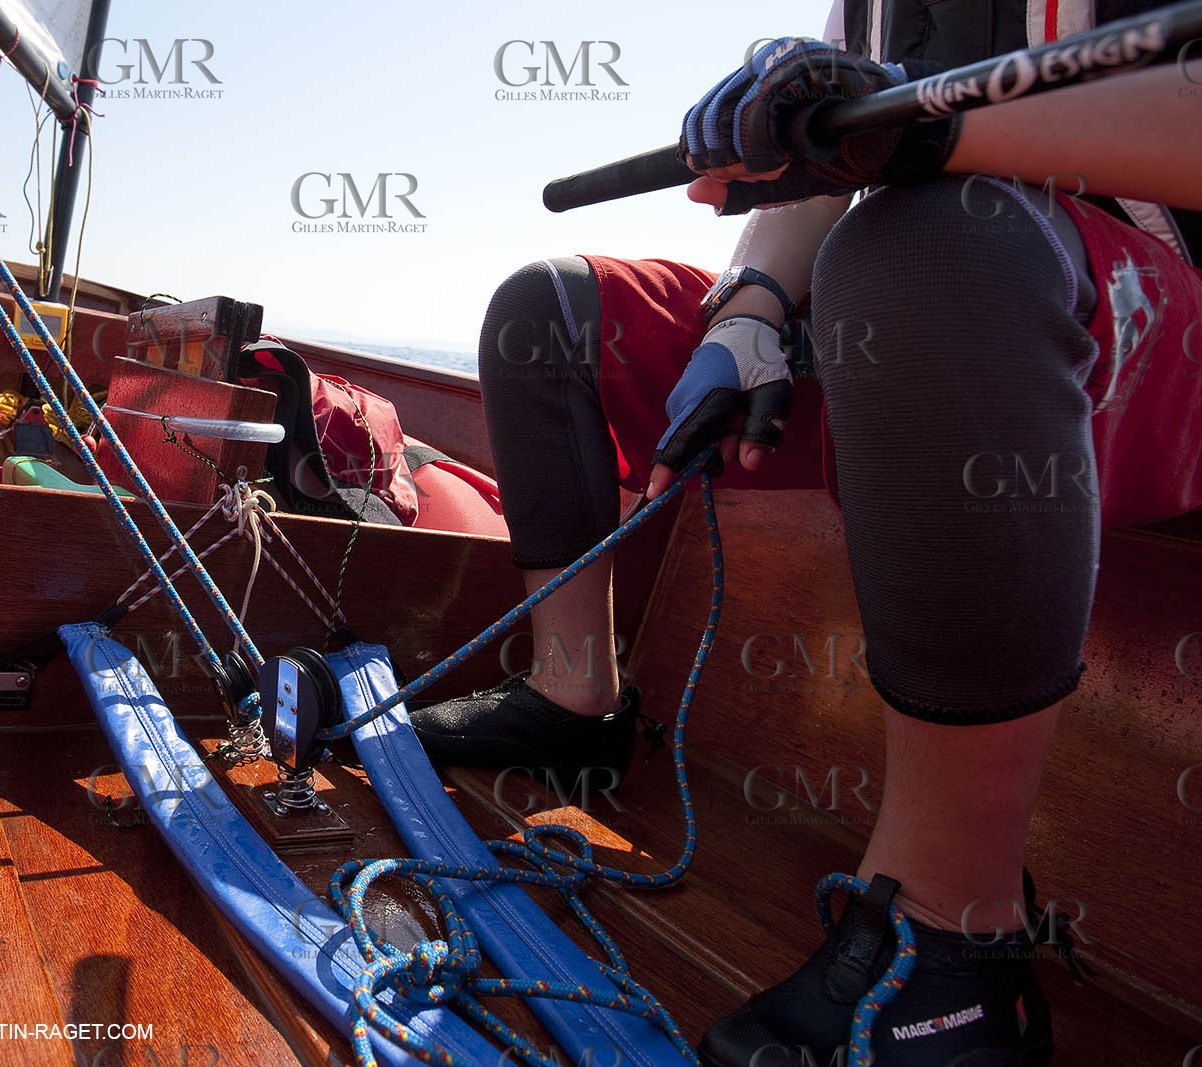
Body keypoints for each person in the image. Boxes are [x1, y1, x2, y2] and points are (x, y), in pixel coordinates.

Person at [408, 1, 1202, 1063]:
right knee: (544, 309)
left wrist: (933, 134)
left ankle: (959, 936)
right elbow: (827, 178)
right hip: (907, 285)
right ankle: (572, 701)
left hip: (1108, 304)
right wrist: (750, 307)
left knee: (930, 242)